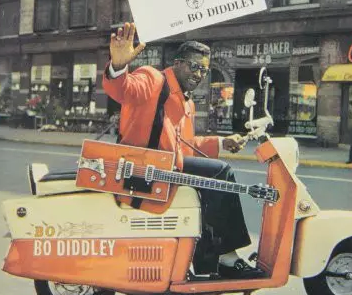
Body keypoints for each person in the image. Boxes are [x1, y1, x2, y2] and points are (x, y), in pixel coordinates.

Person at [103, 22, 256, 278]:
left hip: (166, 168)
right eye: (194, 66)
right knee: (221, 173)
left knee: (211, 183)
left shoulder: (186, 102)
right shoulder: (153, 79)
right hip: (143, 171)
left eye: (204, 70)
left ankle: (206, 260)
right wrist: (118, 66)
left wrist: (221, 143)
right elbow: (124, 90)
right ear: (178, 63)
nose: (199, 74)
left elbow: (184, 148)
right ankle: (226, 258)